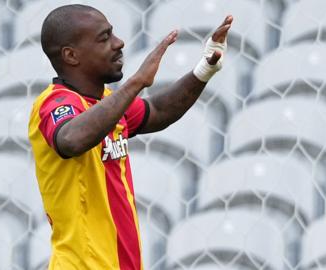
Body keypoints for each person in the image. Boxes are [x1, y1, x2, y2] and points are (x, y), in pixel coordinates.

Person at [28, 4, 233, 270]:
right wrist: (136, 82)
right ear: (71, 55)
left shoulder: (106, 103)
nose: (119, 43)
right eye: (104, 38)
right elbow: (70, 140)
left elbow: (158, 111)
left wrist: (204, 69)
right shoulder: (55, 103)